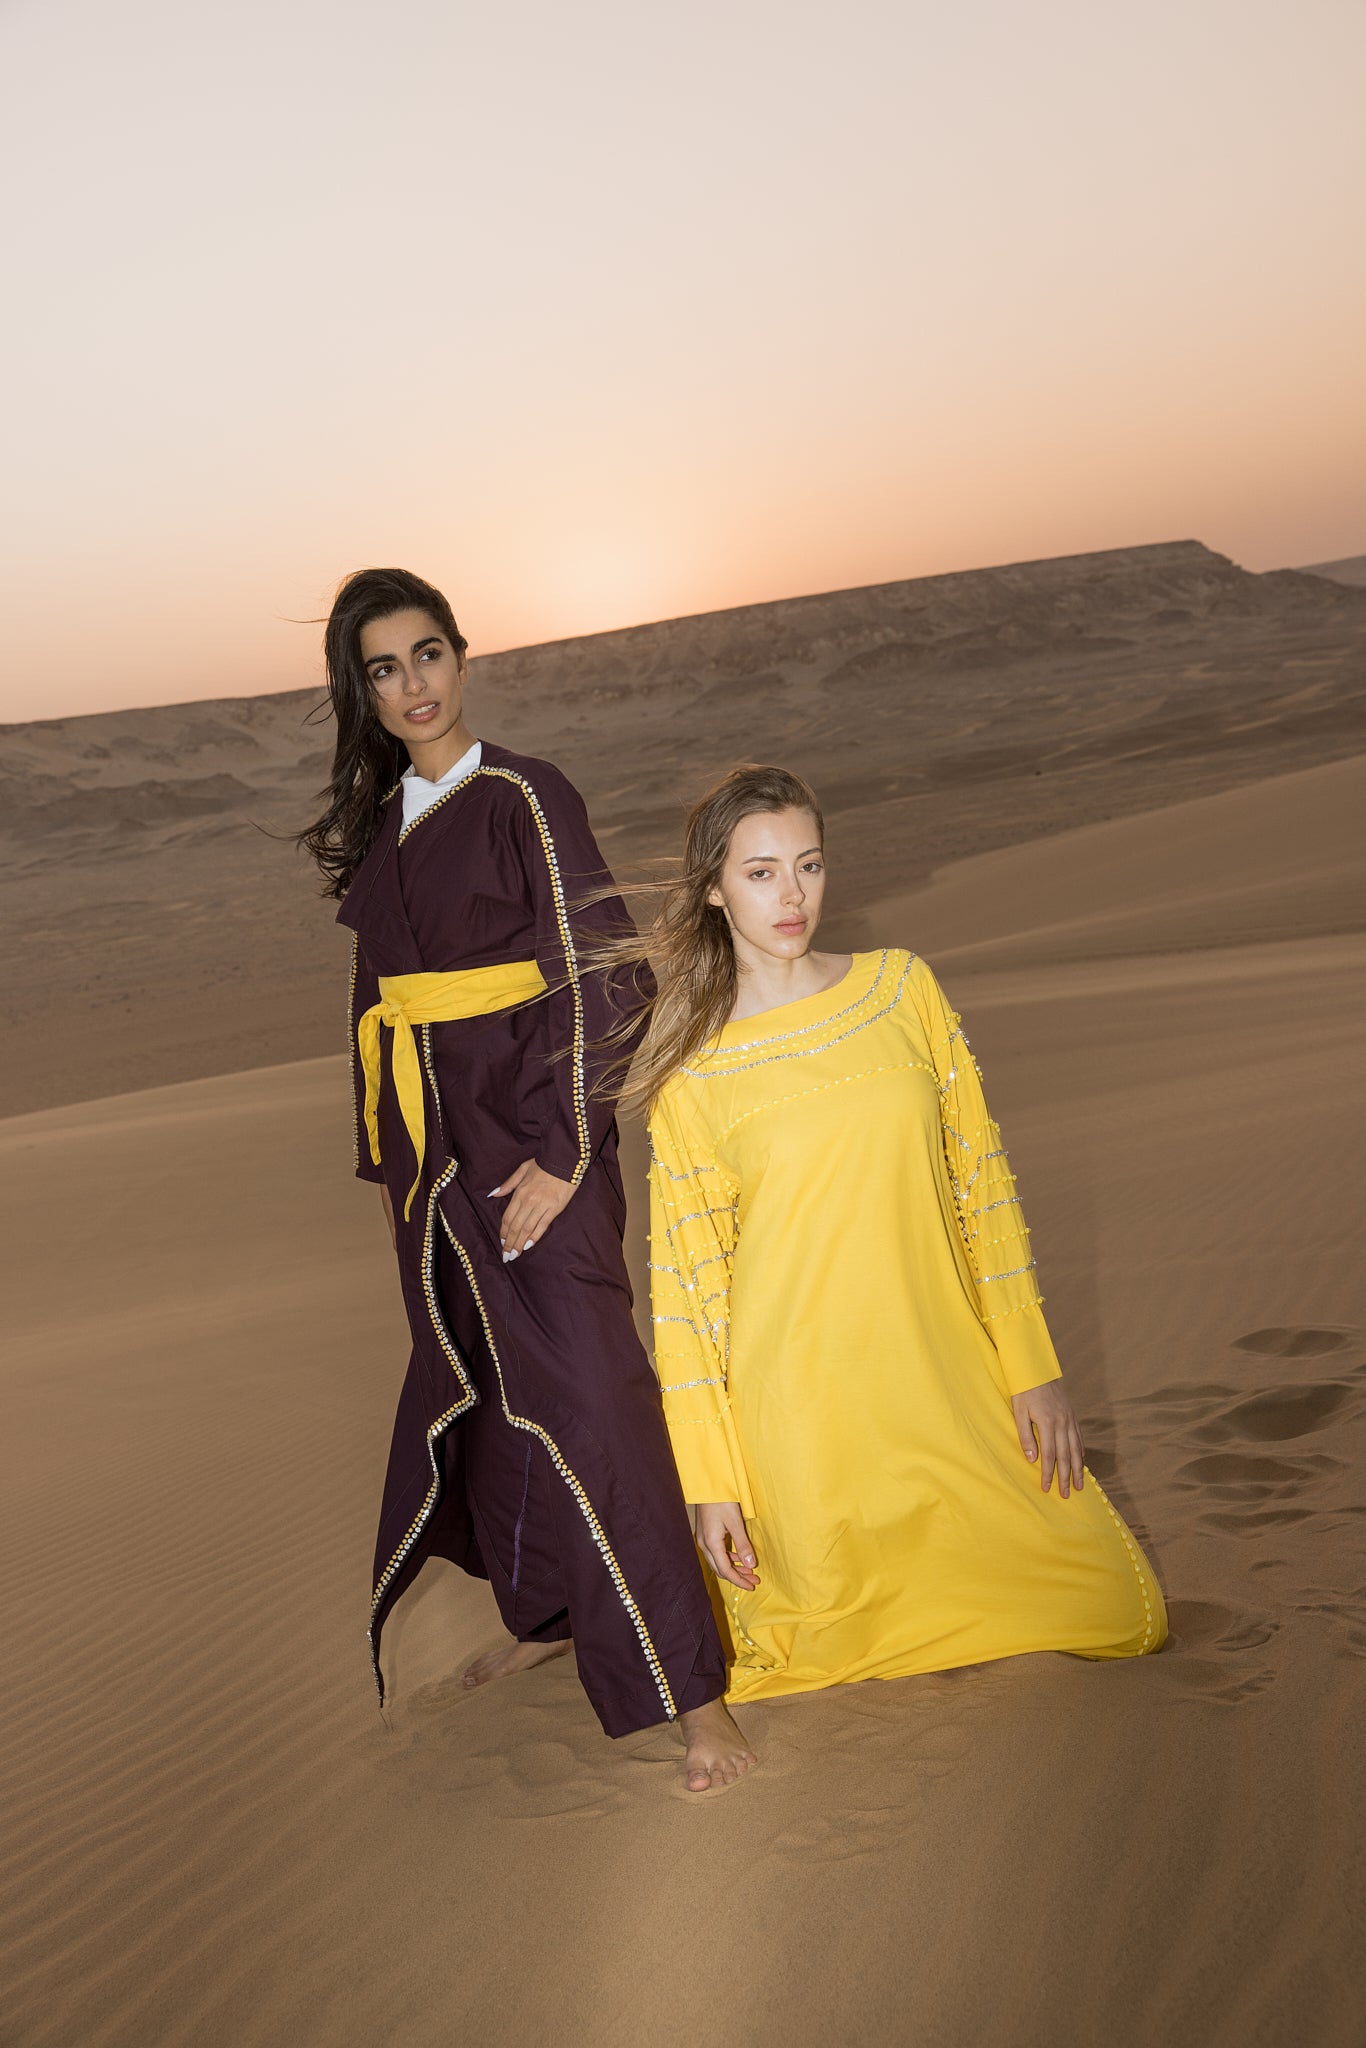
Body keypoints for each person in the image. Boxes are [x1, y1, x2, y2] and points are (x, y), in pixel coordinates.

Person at [299, 567, 755, 1791]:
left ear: (463, 655)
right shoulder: (386, 825)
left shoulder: (523, 794)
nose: (413, 684)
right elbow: (374, 1009)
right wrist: (393, 1174)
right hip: (433, 1173)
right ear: (362, 690)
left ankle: (692, 1693)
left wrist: (566, 1151)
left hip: (533, 1151)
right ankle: (547, 1612)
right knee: (491, 1394)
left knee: (595, 1401)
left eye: (427, 653)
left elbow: (601, 968)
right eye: (384, 668)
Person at [632, 763, 1166, 1703]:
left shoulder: (901, 988)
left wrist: (1032, 1367)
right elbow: (688, 1295)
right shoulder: (693, 1074)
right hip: (801, 1411)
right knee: (813, 1643)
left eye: (809, 865)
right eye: (761, 873)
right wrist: (712, 1483)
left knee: (1116, 1611)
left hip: (944, 1369)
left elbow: (981, 1184)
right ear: (714, 889)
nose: (793, 896)